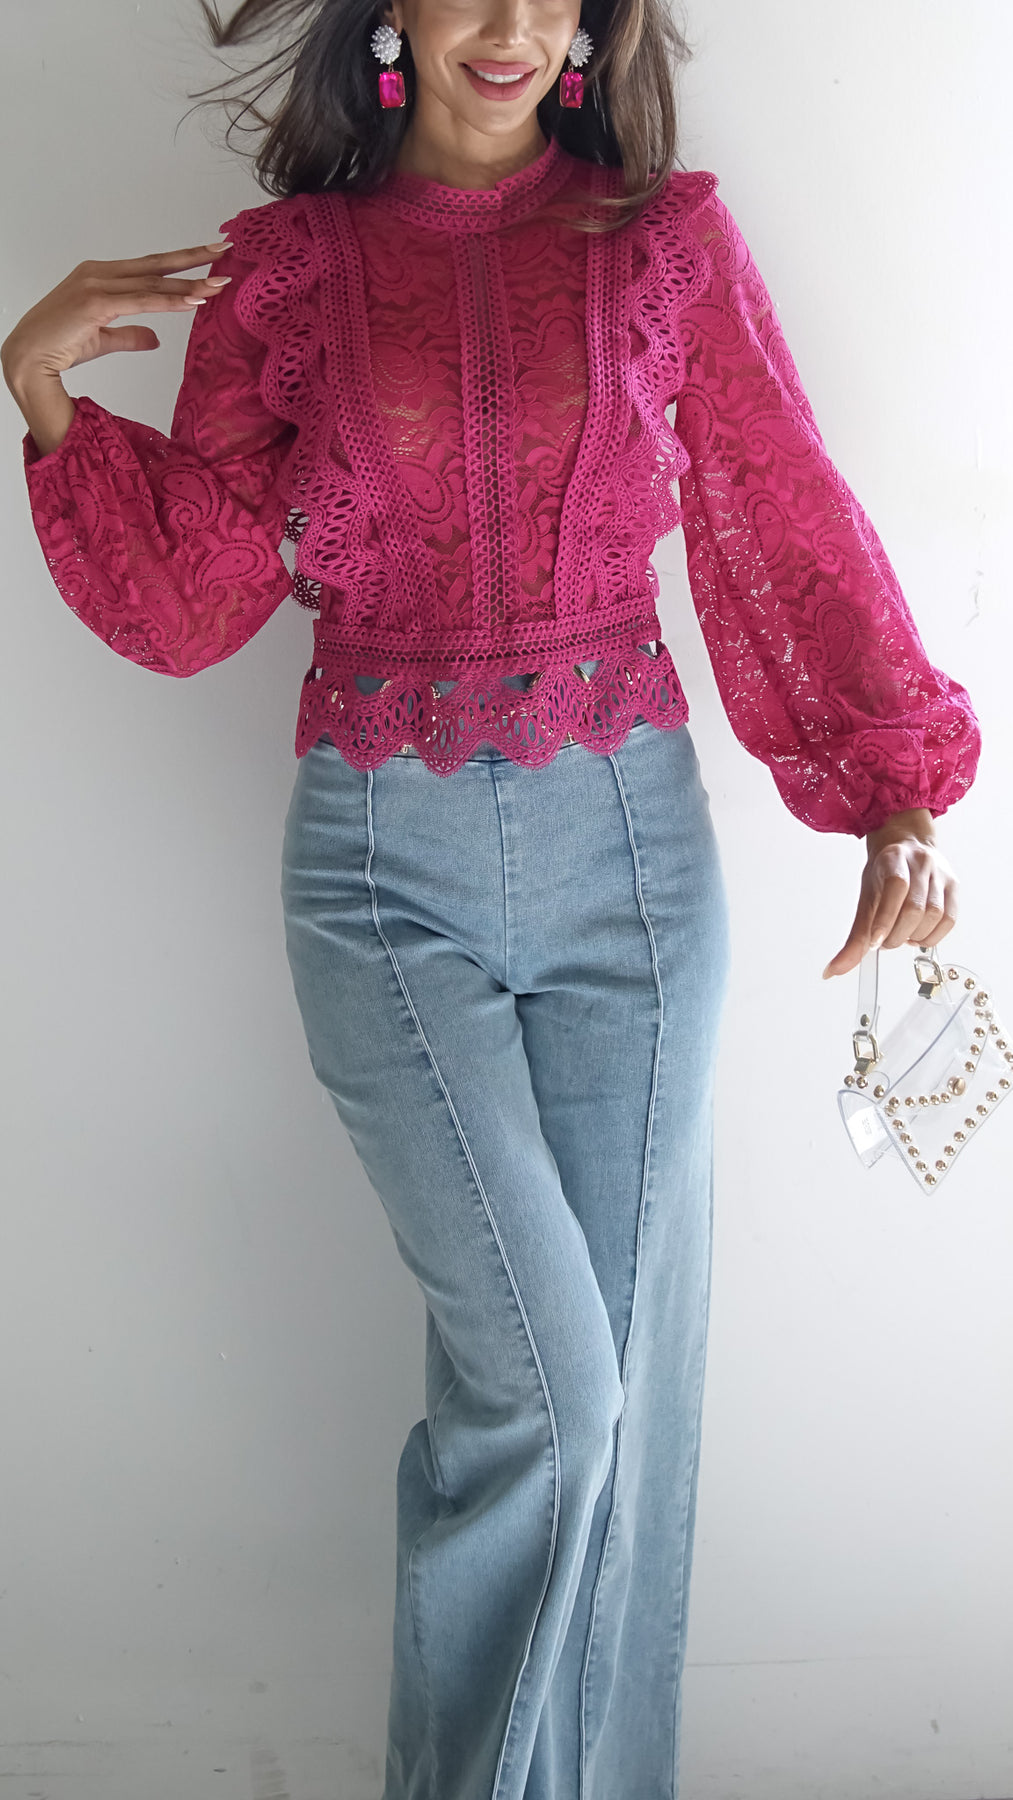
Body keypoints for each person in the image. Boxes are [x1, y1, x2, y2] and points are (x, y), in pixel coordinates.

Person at [1, 0, 981, 1793]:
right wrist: (46, 394)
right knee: (548, 1395)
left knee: (634, 1404)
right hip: (384, 868)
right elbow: (200, 598)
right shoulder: (289, 271)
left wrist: (890, 791)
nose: (513, 22)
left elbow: (777, 508)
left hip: (634, 860)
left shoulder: (664, 241)